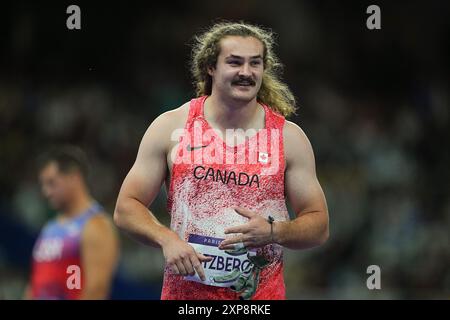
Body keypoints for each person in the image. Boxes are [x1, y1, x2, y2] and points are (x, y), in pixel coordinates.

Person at [114, 22, 329, 300]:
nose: (246, 72)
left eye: (255, 63)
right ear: (210, 67)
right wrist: (166, 239)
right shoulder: (171, 127)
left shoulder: (288, 138)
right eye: (235, 62)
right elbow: (126, 207)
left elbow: (319, 226)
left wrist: (274, 231)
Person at [24, 146, 119, 299]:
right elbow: (35, 284)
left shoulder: (96, 225)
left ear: (74, 177)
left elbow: (97, 290)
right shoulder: (49, 228)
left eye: (51, 183)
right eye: (43, 185)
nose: (46, 192)